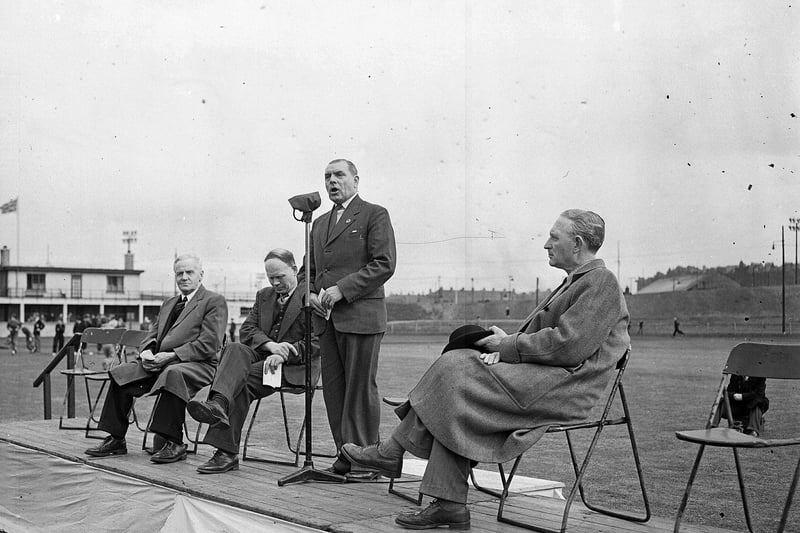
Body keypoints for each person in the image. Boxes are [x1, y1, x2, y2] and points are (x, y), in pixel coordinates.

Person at [340, 209, 630, 530]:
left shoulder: (600, 282)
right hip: (544, 378)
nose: (546, 244)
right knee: (458, 367)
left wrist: (506, 347)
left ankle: (397, 457)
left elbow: (568, 345)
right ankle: (440, 497)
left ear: (576, 244)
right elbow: (553, 341)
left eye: (553, 237)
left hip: (563, 390)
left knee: (456, 372)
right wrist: (504, 344)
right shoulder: (579, 281)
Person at [84, 254, 227, 464]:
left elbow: (210, 343)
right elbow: (151, 335)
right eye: (180, 273)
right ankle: (116, 438)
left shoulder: (213, 301)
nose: (184, 277)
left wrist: (172, 355)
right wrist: (146, 353)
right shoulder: (169, 303)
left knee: (173, 373)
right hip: (161, 362)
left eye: (190, 272)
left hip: (198, 364)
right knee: (121, 372)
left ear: (201, 275)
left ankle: (174, 442)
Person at [187, 249, 320, 474]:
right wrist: (271, 346)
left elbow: (317, 342)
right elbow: (247, 330)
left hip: (295, 366)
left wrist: (283, 354)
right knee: (235, 348)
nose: (276, 282)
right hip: (265, 357)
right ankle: (218, 403)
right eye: (271, 278)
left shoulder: (309, 297)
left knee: (242, 380)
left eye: (281, 276)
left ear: (295, 270)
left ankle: (226, 451)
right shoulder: (264, 296)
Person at [305, 158, 396, 474]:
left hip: (361, 317)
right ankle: (346, 455)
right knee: (334, 391)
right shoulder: (317, 224)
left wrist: (342, 289)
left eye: (339, 175)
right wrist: (311, 294)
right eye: (327, 175)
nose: (332, 180)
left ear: (356, 180)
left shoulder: (374, 214)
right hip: (326, 321)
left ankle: (366, 460)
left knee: (359, 390)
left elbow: (384, 263)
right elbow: (309, 271)